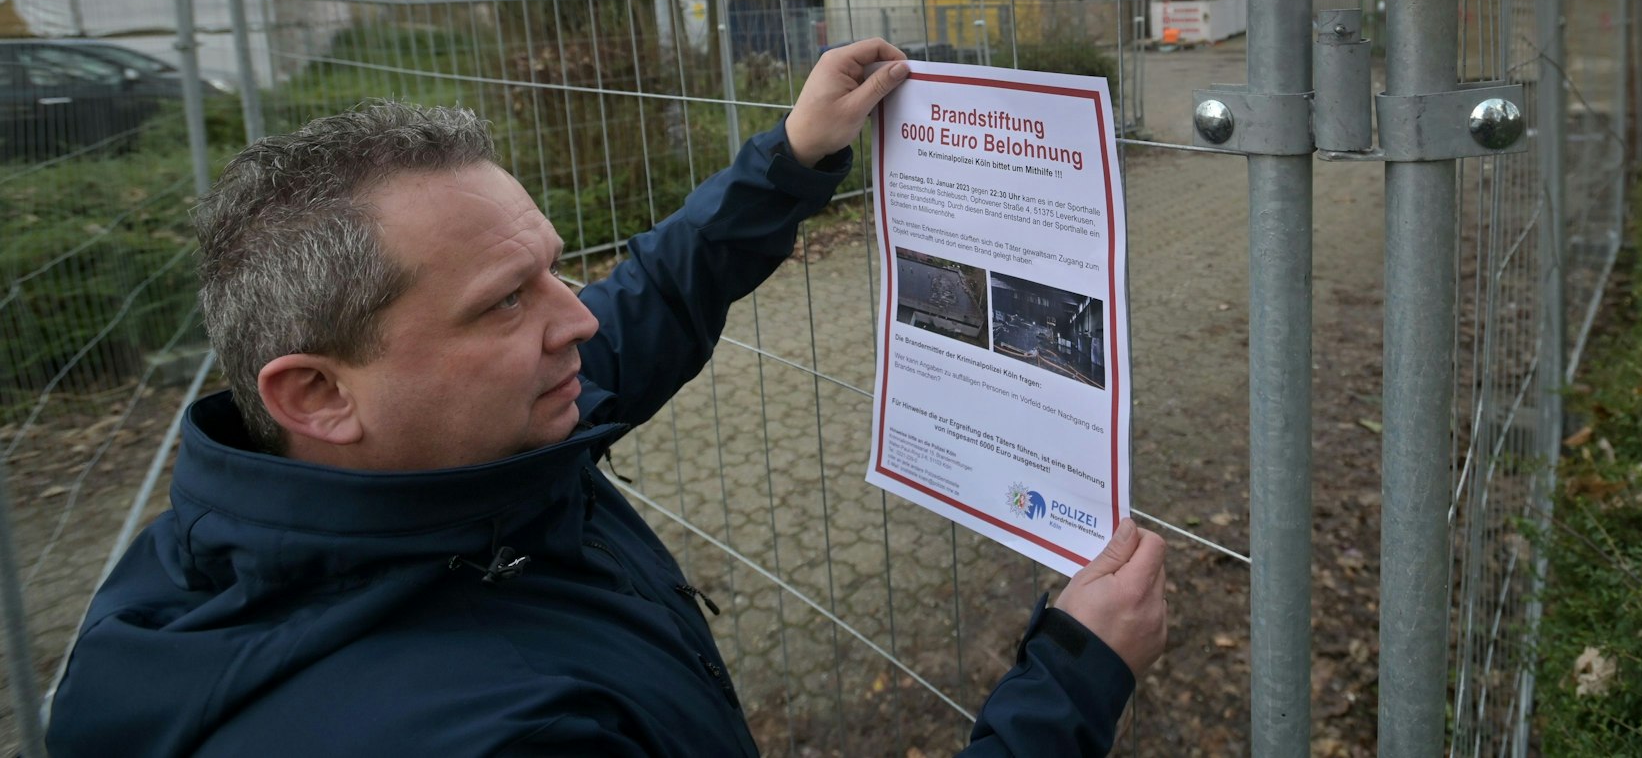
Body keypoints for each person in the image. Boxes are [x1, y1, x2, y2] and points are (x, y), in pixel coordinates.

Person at [46, 39, 1168, 757]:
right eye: (505, 302)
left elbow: (646, 301)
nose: (575, 320)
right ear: (318, 392)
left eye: (552, 269)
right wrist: (1069, 684)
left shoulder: (407, 468)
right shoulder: (500, 737)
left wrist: (791, 156)